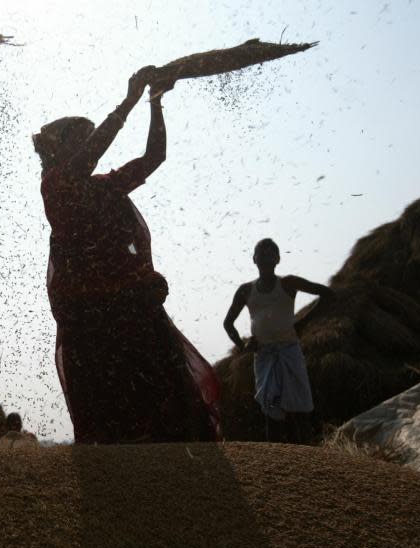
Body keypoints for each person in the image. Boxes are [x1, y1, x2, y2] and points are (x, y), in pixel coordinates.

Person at [33, 67, 220, 444]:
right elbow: (92, 155)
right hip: (92, 316)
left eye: (89, 139)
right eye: (82, 141)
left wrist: (155, 103)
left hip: (131, 303)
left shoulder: (104, 187)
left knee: (165, 397)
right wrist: (130, 99)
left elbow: (154, 157)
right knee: (112, 407)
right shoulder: (56, 186)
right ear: (63, 149)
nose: (91, 148)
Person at [223, 238, 334, 443]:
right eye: (261, 254)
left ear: (278, 259)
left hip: (289, 352)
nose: (265, 258)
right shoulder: (246, 290)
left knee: (300, 410)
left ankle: (309, 458)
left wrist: (303, 322)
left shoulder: (288, 283)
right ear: (254, 259)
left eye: (270, 254)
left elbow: (326, 293)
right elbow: (228, 323)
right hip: (264, 356)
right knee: (270, 409)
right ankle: (275, 461)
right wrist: (243, 345)